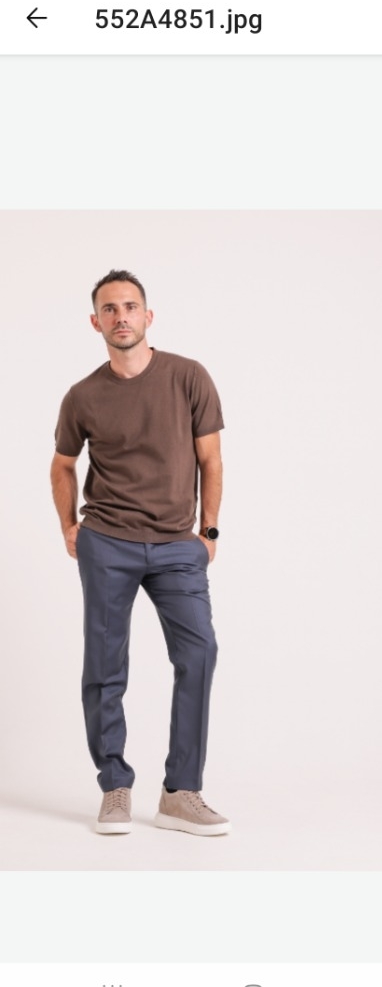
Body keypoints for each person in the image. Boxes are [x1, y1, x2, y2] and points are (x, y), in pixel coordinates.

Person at [50, 269, 230, 837]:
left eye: (130, 306)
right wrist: (69, 526)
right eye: (110, 309)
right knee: (105, 666)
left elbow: (211, 460)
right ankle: (114, 785)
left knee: (199, 653)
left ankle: (181, 792)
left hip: (177, 544)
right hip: (107, 541)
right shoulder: (83, 395)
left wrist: (209, 533)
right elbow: (62, 465)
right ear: (95, 322)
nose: (121, 316)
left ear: (148, 316)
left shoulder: (188, 376)